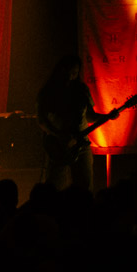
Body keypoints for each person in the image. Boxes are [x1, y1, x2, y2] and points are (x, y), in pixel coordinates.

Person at [36, 53, 118, 193]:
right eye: (67, 72)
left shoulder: (81, 90)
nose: (70, 76)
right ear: (60, 70)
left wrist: (107, 116)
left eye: (74, 73)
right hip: (58, 146)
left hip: (82, 145)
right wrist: (59, 135)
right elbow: (41, 120)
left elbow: (90, 116)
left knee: (84, 187)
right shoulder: (48, 92)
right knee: (54, 188)